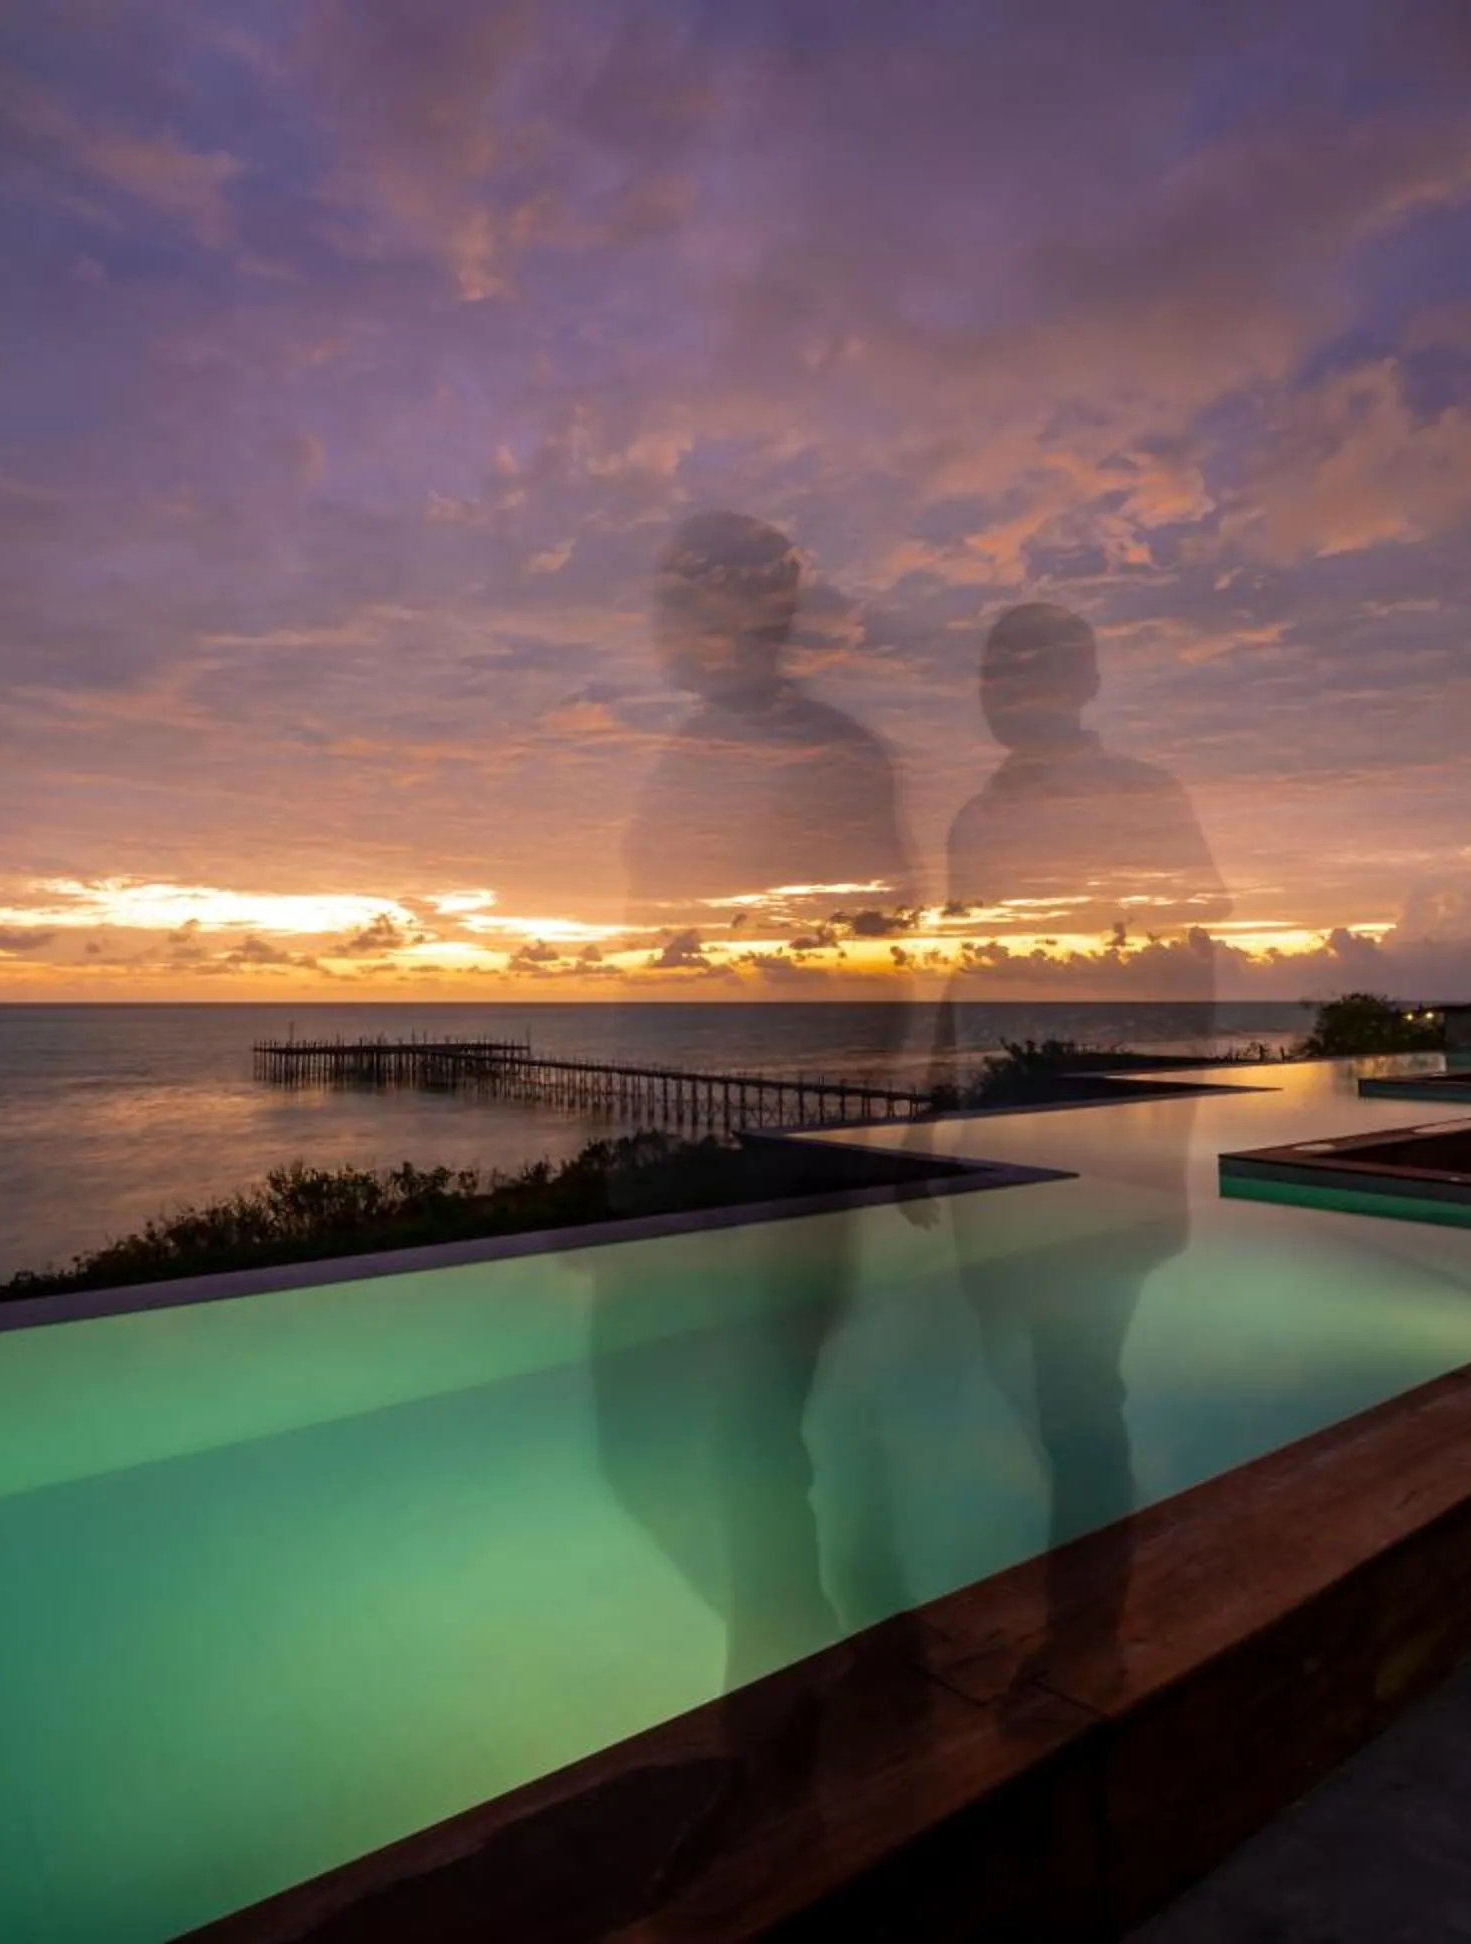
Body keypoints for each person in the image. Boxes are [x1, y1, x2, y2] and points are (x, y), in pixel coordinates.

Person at [586, 510, 922, 1773]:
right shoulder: (685, 757)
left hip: (775, 1137)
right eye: (673, 597)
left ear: (760, 610)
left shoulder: (831, 755)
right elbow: (659, 957)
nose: (674, 623)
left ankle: (784, 1736)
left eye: (696, 596)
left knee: (738, 1432)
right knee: (681, 1433)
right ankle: (801, 1677)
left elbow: (873, 946)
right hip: (682, 1134)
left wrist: (841, 1134)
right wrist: (630, 1147)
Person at [935, 600, 1225, 1675]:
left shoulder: (1142, 795)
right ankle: (1074, 1571)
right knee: (1023, 1370)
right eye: (992, 668)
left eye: (1030, 666)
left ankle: (1087, 1636)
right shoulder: (973, 815)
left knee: (1075, 1385)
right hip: (994, 1140)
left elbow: (1187, 964)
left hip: (1098, 1151)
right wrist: (940, 1107)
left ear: (1084, 681)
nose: (1003, 686)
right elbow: (965, 965)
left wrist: (1155, 1148)